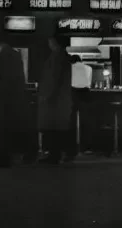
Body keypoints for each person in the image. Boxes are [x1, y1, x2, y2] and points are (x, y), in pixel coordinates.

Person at [0, 34, 29, 168]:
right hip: (15, 97)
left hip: (5, 97)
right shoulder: (15, 54)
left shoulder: (2, 55)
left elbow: (2, 78)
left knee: (2, 127)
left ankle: (2, 157)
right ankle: (8, 155)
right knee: (10, 127)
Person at [38, 36, 73, 165]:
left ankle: (54, 155)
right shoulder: (63, 56)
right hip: (60, 98)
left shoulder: (57, 57)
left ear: (54, 42)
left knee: (53, 128)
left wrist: (47, 95)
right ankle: (59, 154)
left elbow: (53, 78)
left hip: (55, 99)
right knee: (58, 128)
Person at [68, 55, 92, 158]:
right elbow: (89, 83)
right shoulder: (89, 68)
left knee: (71, 121)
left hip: (72, 94)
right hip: (85, 94)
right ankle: (84, 148)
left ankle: (71, 148)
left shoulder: (69, 68)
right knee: (85, 121)